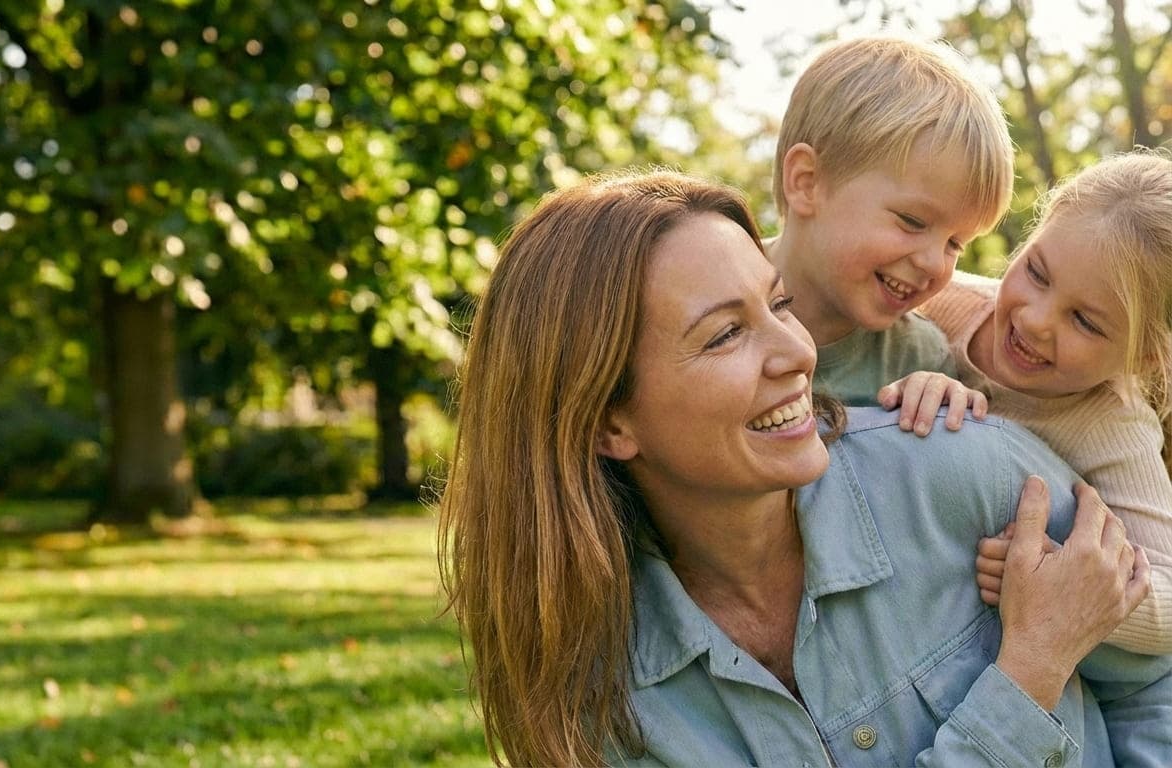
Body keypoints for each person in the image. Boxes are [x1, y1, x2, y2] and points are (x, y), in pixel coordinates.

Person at [436, 169, 1170, 767]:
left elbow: (1156, 684)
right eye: (725, 334)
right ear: (606, 420)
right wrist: (1026, 677)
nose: (799, 355)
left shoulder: (969, 472)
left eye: (779, 304)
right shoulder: (600, 692)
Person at [874, 151, 1172, 655]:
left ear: (1140, 358)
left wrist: (1064, 580)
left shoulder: (1112, 424)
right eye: (1036, 272)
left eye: (1085, 321)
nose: (1035, 320)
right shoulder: (941, 301)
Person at [762, 35, 1013, 405]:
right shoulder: (706, 296)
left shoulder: (918, 358)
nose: (932, 262)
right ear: (807, 183)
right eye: (912, 221)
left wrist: (941, 406)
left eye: (955, 243)